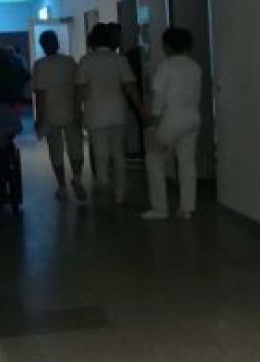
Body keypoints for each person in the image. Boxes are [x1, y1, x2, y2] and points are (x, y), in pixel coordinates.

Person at [77, 23, 144, 206]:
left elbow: (80, 90)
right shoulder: (119, 59)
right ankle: (120, 195)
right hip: (118, 112)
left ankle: (104, 190)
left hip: (96, 114)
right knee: (119, 155)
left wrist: (77, 109)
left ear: (92, 40)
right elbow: (130, 87)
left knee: (101, 156)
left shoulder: (86, 61)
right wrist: (141, 110)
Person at [142, 27, 202, 221]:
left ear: (167, 45)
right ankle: (187, 208)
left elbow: (158, 100)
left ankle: (160, 209)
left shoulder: (165, 67)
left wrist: (152, 126)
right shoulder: (195, 67)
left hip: (171, 120)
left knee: (154, 161)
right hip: (192, 118)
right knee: (187, 163)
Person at [33, 30, 87, 201]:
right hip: (71, 111)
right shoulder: (69, 62)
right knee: (76, 148)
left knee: (55, 150)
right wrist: (78, 108)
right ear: (57, 43)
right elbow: (78, 87)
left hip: (50, 114)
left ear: (42, 46)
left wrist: (39, 117)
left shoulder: (40, 65)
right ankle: (77, 179)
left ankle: (62, 186)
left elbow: (40, 94)